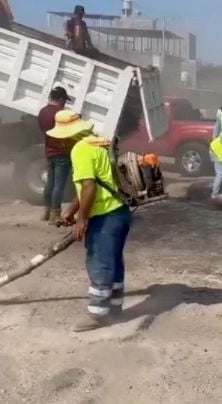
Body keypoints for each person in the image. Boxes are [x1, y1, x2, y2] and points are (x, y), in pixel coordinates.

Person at [48, 110, 132, 333]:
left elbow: (90, 187)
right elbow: (96, 182)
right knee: (114, 261)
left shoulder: (80, 150)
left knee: (99, 262)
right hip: (120, 212)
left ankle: (97, 315)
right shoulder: (97, 143)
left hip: (105, 215)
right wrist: (72, 210)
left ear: (67, 136)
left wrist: (81, 220)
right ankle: (115, 310)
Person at [38, 87, 72, 224]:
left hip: (49, 151)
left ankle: (46, 212)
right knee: (59, 185)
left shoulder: (42, 112)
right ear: (61, 99)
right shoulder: (60, 113)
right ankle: (55, 215)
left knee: (50, 183)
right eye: (64, 101)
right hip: (61, 152)